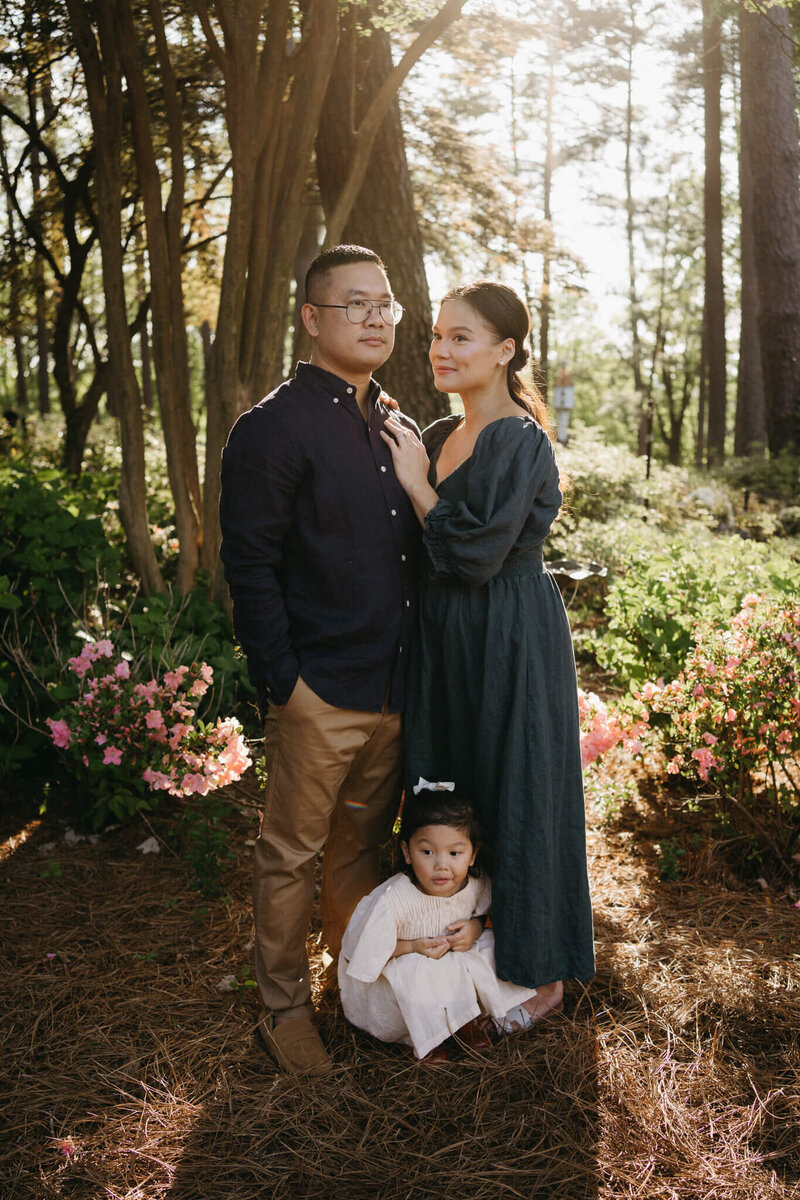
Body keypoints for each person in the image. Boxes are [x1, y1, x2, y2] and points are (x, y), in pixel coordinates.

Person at [219, 245, 421, 1074]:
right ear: (311, 317)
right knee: (291, 856)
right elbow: (250, 566)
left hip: (394, 685)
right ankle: (281, 1012)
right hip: (319, 692)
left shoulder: (394, 420)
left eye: (387, 304)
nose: (377, 317)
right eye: (355, 304)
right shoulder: (272, 427)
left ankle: (355, 993)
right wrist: (285, 683)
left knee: (359, 852)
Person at [380, 280, 595, 1018]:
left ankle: (544, 975)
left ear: (506, 351)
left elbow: (473, 554)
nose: (441, 349)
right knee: (453, 788)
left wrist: (415, 483)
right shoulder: (439, 435)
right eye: (437, 335)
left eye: (460, 337)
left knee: (520, 789)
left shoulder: (519, 438)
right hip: (445, 635)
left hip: (509, 629)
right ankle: (457, 965)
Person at [339, 782, 538, 1062]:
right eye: (428, 852)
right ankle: (417, 1038)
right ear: (407, 852)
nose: (442, 865)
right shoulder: (394, 900)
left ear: (473, 855)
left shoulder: (475, 886)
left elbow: (487, 914)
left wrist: (476, 926)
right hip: (397, 976)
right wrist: (413, 946)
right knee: (416, 972)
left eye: (454, 853)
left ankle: (463, 1021)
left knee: (488, 946)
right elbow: (367, 954)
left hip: (445, 966)